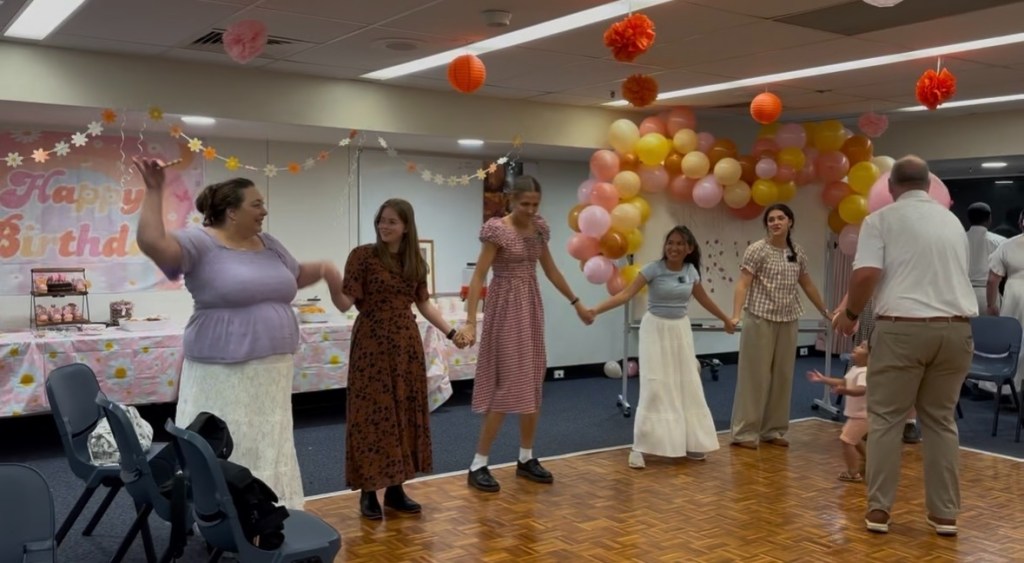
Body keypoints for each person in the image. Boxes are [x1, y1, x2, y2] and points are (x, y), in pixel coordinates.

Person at [133, 156, 340, 509]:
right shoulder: (200, 243)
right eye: (256, 204)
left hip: (272, 369)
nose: (264, 211)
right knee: (227, 439)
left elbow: (291, 277)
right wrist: (154, 190)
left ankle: (269, 509)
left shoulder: (269, 244)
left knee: (266, 441)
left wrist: (324, 268)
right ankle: (222, 514)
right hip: (222, 370)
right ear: (232, 211)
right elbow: (153, 242)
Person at [833, 155, 976, 536]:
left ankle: (879, 511)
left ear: (891, 187)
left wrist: (850, 313)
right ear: (929, 186)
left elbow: (866, 274)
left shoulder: (880, 220)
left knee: (885, 421)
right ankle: (944, 515)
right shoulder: (952, 222)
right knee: (941, 422)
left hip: (902, 331)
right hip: (956, 331)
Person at [457, 175, 594, 493]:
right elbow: (479, 275)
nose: (531, 210)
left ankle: (526, 458)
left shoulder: (539, 229)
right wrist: (471, 321)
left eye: (535, 204)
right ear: (511, 200)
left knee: (532, 381)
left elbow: (551, 270)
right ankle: (478, 463)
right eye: (525, 204)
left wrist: (576, 303)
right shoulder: (497, 230)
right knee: (507, 385)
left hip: (530, 307)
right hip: (504, 307)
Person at [335, 198, 466, 519]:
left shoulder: (414, 262)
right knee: (371, 415)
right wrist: (327, 275)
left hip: (405, 344)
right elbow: (345, 302)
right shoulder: (362, 256)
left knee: (403, 412)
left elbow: (424, 304)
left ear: (406, 227)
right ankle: (368, 491)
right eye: (381, 220)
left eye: (392, 221)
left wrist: (452, 333)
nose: (384, 226)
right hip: (371, 344)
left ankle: (395, 489)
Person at [590, 226, 734, 468]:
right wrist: (595, 310)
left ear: (689, 248)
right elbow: (625, 295)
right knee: (654, 385)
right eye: (670, 242)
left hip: (680, 330)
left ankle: (691, 441)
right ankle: (639, 447)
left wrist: (725, 319)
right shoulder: (653, 269)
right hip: (655, 329)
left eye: (679, 243)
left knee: (687, 383)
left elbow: (704, 299)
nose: (673, 248)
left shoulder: (691, 272)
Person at [729, 203, 829, 449]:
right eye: (771, 219)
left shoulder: (797, 252)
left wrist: (825, 311)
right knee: (754, 375)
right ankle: (744, 432)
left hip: (788, 319)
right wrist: (735, 315)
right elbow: (742, 283)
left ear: (790, 222)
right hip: (760, 317)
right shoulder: (757, 250)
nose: (775, 223)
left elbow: (807, 284)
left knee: (783, 376)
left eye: (780, 218)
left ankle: (772, 430)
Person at [806, 341, 869, 483]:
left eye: (862, 347)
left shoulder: (864, 373)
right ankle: (868, 458)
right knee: (853, 438)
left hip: (862, 416)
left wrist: (844, 391)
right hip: (857, 415)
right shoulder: (855, 369)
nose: (856, 347)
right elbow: (842, 382)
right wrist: (822, 379)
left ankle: (853, 473)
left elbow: (861, 390)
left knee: (846, 440)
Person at [985, 210, 1024, 395]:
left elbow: (993, 280)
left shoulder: (1007, 245)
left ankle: (1009, 389)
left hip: (1015, 295)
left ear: (1020, 222)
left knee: (1014, 342)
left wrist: (991, 304)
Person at [966, 202, 1006, 314]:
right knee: (992, 326)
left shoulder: (958, 239)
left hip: (964, 294)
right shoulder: (1001, 242)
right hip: (991, 295)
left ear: (969, 219)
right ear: (989, 219)